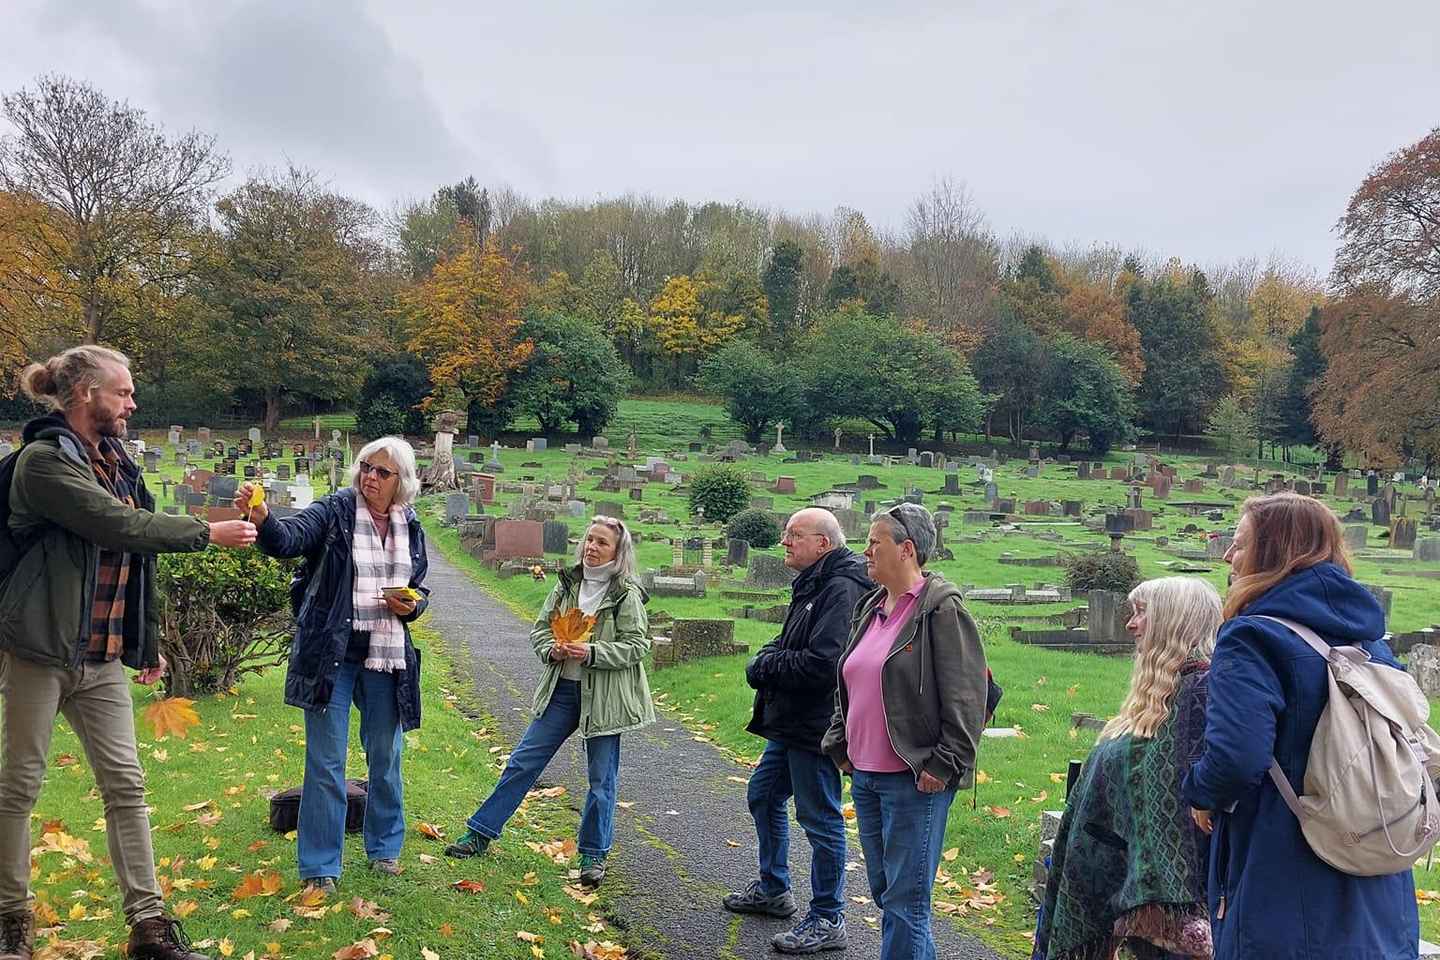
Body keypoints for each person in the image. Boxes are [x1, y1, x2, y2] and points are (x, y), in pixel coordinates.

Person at [0, 346, 257, 960]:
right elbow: (117, 526)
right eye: (124, 392)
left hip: (103, 656)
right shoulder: (42, 463)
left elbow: (133, 561)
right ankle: (11, 918)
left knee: (127, 787)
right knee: (20, 788)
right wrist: (207, 533)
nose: (132, 403)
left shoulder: (115, 459)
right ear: (87, 394)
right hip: (39, 651)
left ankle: (148, 925)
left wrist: (149, 640)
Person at [1182, 492, 1418, 959]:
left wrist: (1201, 793)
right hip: (1374, 857)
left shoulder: (1252, 635)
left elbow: (1237, 756)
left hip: (1285, 868)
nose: (1228, 556)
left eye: (1239, 544)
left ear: (1275, 551)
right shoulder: (1367, 637)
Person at [237, 437, 430, 897]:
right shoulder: (337, 510)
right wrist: (264, 520)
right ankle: (320, 866)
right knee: (326, 761)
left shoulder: (409, 524)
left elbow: (419, 587)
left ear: (401, 482)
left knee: (387, 756)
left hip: (387, 654)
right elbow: (291, 538)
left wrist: (411, 607)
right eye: (366, 467)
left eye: (383, 472)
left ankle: (383, 850)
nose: (371, 477)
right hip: (332, 653)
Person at [445, 516, 653, 888]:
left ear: (618, 552)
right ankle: (480, 833)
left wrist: (591, 652)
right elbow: (540, 630)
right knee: (523, 761)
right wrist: (551, 650)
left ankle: (592, 856)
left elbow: (637, 646)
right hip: (562, 692)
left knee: (601, 780)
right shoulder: (567, 584)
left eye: (601, 543)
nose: (592, 548)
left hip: (603, 698)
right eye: (589, 540)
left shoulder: (625, 594)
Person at [821, 503, 988, 960]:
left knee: (905, 904)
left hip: (915, 780)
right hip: (866, 775)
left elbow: (967, 694)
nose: (865, 552)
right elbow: (849, 680)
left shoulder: (940, 610)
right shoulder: (871, 606)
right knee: (888, 894)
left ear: (906, 549)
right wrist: (840, 744)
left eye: (875, 543)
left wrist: (944, 765)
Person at [1035, 577, 1221, 960]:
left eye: (1141, 614)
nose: (1131, 625)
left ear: (1175, 622)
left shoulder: (1204, 691)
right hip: (1140, 898)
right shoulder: (1160, 697)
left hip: (1183, 910)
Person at [724, 508, 873, 954]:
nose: (785, 541)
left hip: (816, 725)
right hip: (791, 722)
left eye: (794, 535)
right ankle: (774, 889)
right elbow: (790, 642)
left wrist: (763, 665)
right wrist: (768, 656)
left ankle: (828, 917)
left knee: (820, 817)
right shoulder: (815, 581)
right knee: (764, 795)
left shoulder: (841, 587)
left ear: (823, 544)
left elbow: (825, 664)